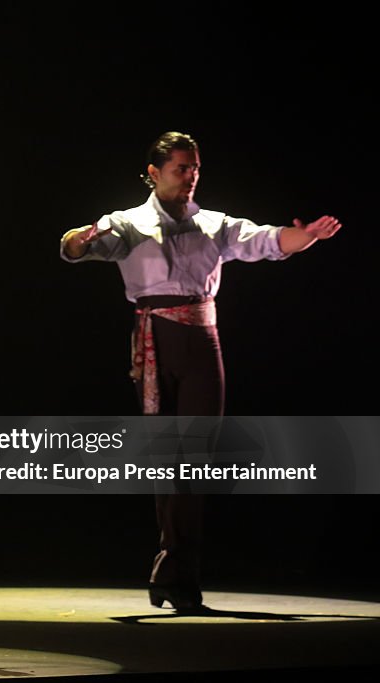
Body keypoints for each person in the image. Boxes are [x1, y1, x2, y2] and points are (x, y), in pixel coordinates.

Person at [60, 131, 340, 612]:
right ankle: (175, 570)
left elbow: (269, 241)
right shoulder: (127, 223)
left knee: (195, 457)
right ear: (153, 172)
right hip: (156, 341)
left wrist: (306, 235)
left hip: (202, 340)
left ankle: (176, 569)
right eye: (180, 169)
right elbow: (74, 247)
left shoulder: (215, 223)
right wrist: (79, 239)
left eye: (195, 168)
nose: (190, 177)